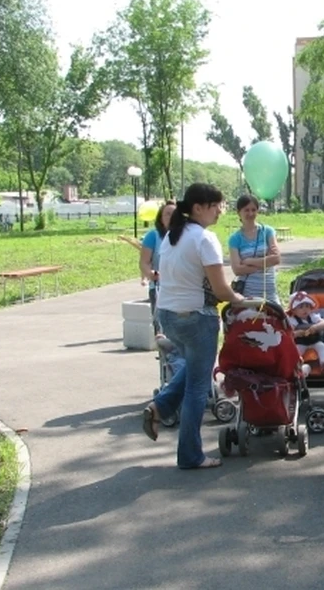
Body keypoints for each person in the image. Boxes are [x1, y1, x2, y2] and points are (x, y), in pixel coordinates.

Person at [141, 183, 243, 470]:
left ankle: (160, 407)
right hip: (196, 317)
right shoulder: (204, 238)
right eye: (216, 206)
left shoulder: (173, 235)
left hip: (168, 316)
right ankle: (190, 455)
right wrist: (241, 300)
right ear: (198, 207)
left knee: (193, 368)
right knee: (198, 387)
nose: (220, 211)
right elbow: (221, 290)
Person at [228, 194, 281, 303]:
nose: (250, 213)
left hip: (269, 293)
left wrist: (249, 261)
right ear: (239, 212)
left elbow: (276, 259)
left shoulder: (268, 232)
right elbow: (237, 270)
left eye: (253, 210)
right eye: (246, 210)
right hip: (247, 295)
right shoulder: (235, 238)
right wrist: (265, 263)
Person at [139, 201, 176, 334]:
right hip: (159, 288)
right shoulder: (153, 236)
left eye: (174, 214)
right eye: (167, 214)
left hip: (181, 288)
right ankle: (163, 353)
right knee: (161, 325)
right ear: (161, 218)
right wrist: (150, 274)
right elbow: (144, 262)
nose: (171, 217)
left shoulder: (186, 236)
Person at [287, 291, 324, 367]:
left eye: (307, 306)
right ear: (293, 310)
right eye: (301, 307)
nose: (305, 309)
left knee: (321, 346)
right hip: (300, 343)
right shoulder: (293, 320)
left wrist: (316, 327)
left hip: (314, 341)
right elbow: (290, 333)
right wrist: (297, 333)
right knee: (296, 350)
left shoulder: (312, 316)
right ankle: (296, 366)